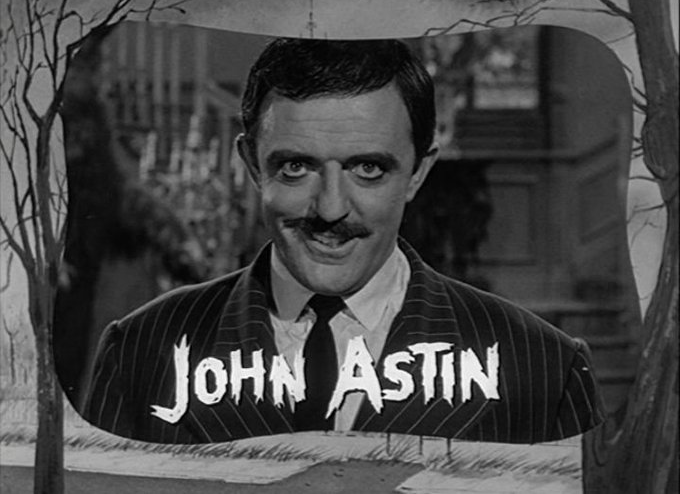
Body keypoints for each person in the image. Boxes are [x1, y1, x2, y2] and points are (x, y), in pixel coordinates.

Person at [83, 38, 604, 444]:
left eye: (368, 169)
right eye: (296, 167)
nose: (331, 209)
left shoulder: (543, 368)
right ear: (252, 166)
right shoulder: (141, 351)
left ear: (419, 173)